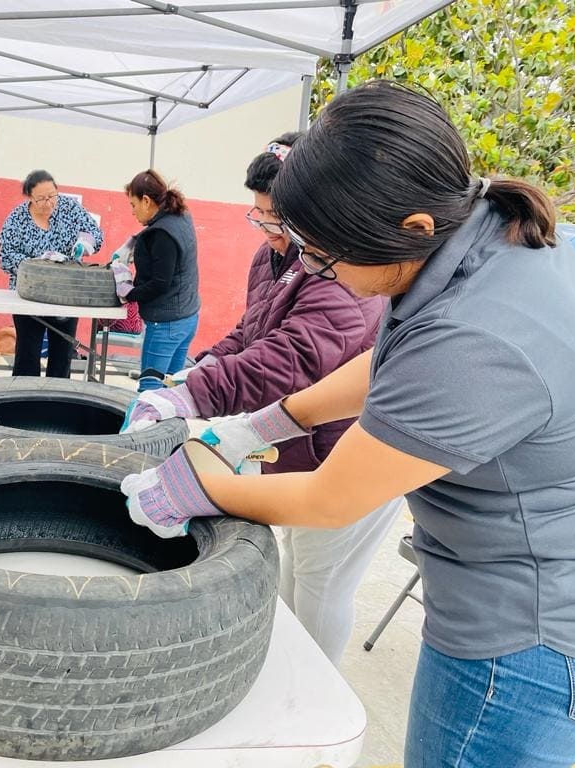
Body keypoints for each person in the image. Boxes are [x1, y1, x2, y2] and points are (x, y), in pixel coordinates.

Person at [121, 81, 575, 767]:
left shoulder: (478, 334)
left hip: (525, 643)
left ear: (412, 229)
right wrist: (266, 424)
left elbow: (330, 498)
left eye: (325, 258)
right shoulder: (482, 238)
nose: (318, 271)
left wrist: (204, 485)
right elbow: (389, 362)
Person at [120, 134, 402, 665]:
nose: (268, 230)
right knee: (292, 566)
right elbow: (252, 335)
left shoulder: (344, 270)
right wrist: (197, 370)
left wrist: (198, 415)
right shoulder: (272, 258)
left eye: (278, 219)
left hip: (349, 448)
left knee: (320, 582)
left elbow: (293, 359)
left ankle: (315, 687)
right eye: (259, 215)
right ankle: (286, 666)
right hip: (297, 446)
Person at [0, 169, 104, 377]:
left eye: (52, 196)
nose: (48, 203)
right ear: (30, 196)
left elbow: (95, 233)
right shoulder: (16, 219)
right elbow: (5, 256)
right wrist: (39, 264)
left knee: (63, 353)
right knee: (27, 352)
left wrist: (85, 244)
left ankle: (57, 402)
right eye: (41, 199)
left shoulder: (70, 208)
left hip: (65, 293)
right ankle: (25, 400)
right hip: (29, 296)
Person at [110, 170, 200, 391]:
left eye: (133, 205)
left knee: (149, 390)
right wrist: (138, 240)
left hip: (165, 323)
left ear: (147, 201)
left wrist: (128, 292)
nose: (132, 212)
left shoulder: (161, 234)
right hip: (187, 318)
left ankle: (144, 427)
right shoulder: (180, 215)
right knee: (171, 389)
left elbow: (160, 283)